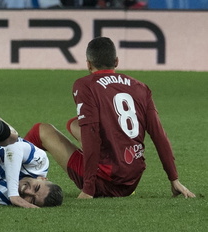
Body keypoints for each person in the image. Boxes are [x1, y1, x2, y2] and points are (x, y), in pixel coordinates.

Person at [25, 37, 195, 199]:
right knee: (73, 124)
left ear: (88, 64)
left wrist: (88, 188)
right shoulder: (140, 88)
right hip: (131, 181)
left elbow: (91, 134)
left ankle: (12, 172)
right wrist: (174, 179)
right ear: (116, 62)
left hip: (104, 181)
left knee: (40, 130)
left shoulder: (85, 85)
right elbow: (159, 135)